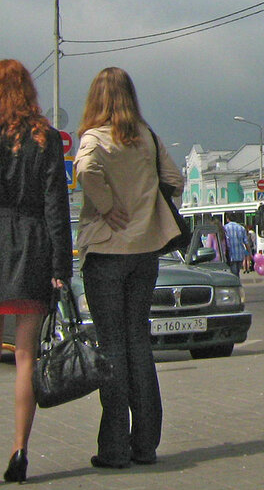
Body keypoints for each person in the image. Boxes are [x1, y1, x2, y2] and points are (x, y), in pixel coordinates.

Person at [74, 67, 184, 469]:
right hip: (144, 252)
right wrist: (144, 208)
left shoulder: (94, 137)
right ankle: (146, 444)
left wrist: (106, 206)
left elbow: (86, 171)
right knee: (139, 342)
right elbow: (174, 178)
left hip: (105, 252)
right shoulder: (147, 138)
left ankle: (115, 448)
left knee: (112, 347)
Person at [0, 60, 73, 483]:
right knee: (26, 357)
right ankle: (18, 452)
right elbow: (56, 207)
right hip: (32, 248)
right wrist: (60, 267)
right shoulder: (44, 137)